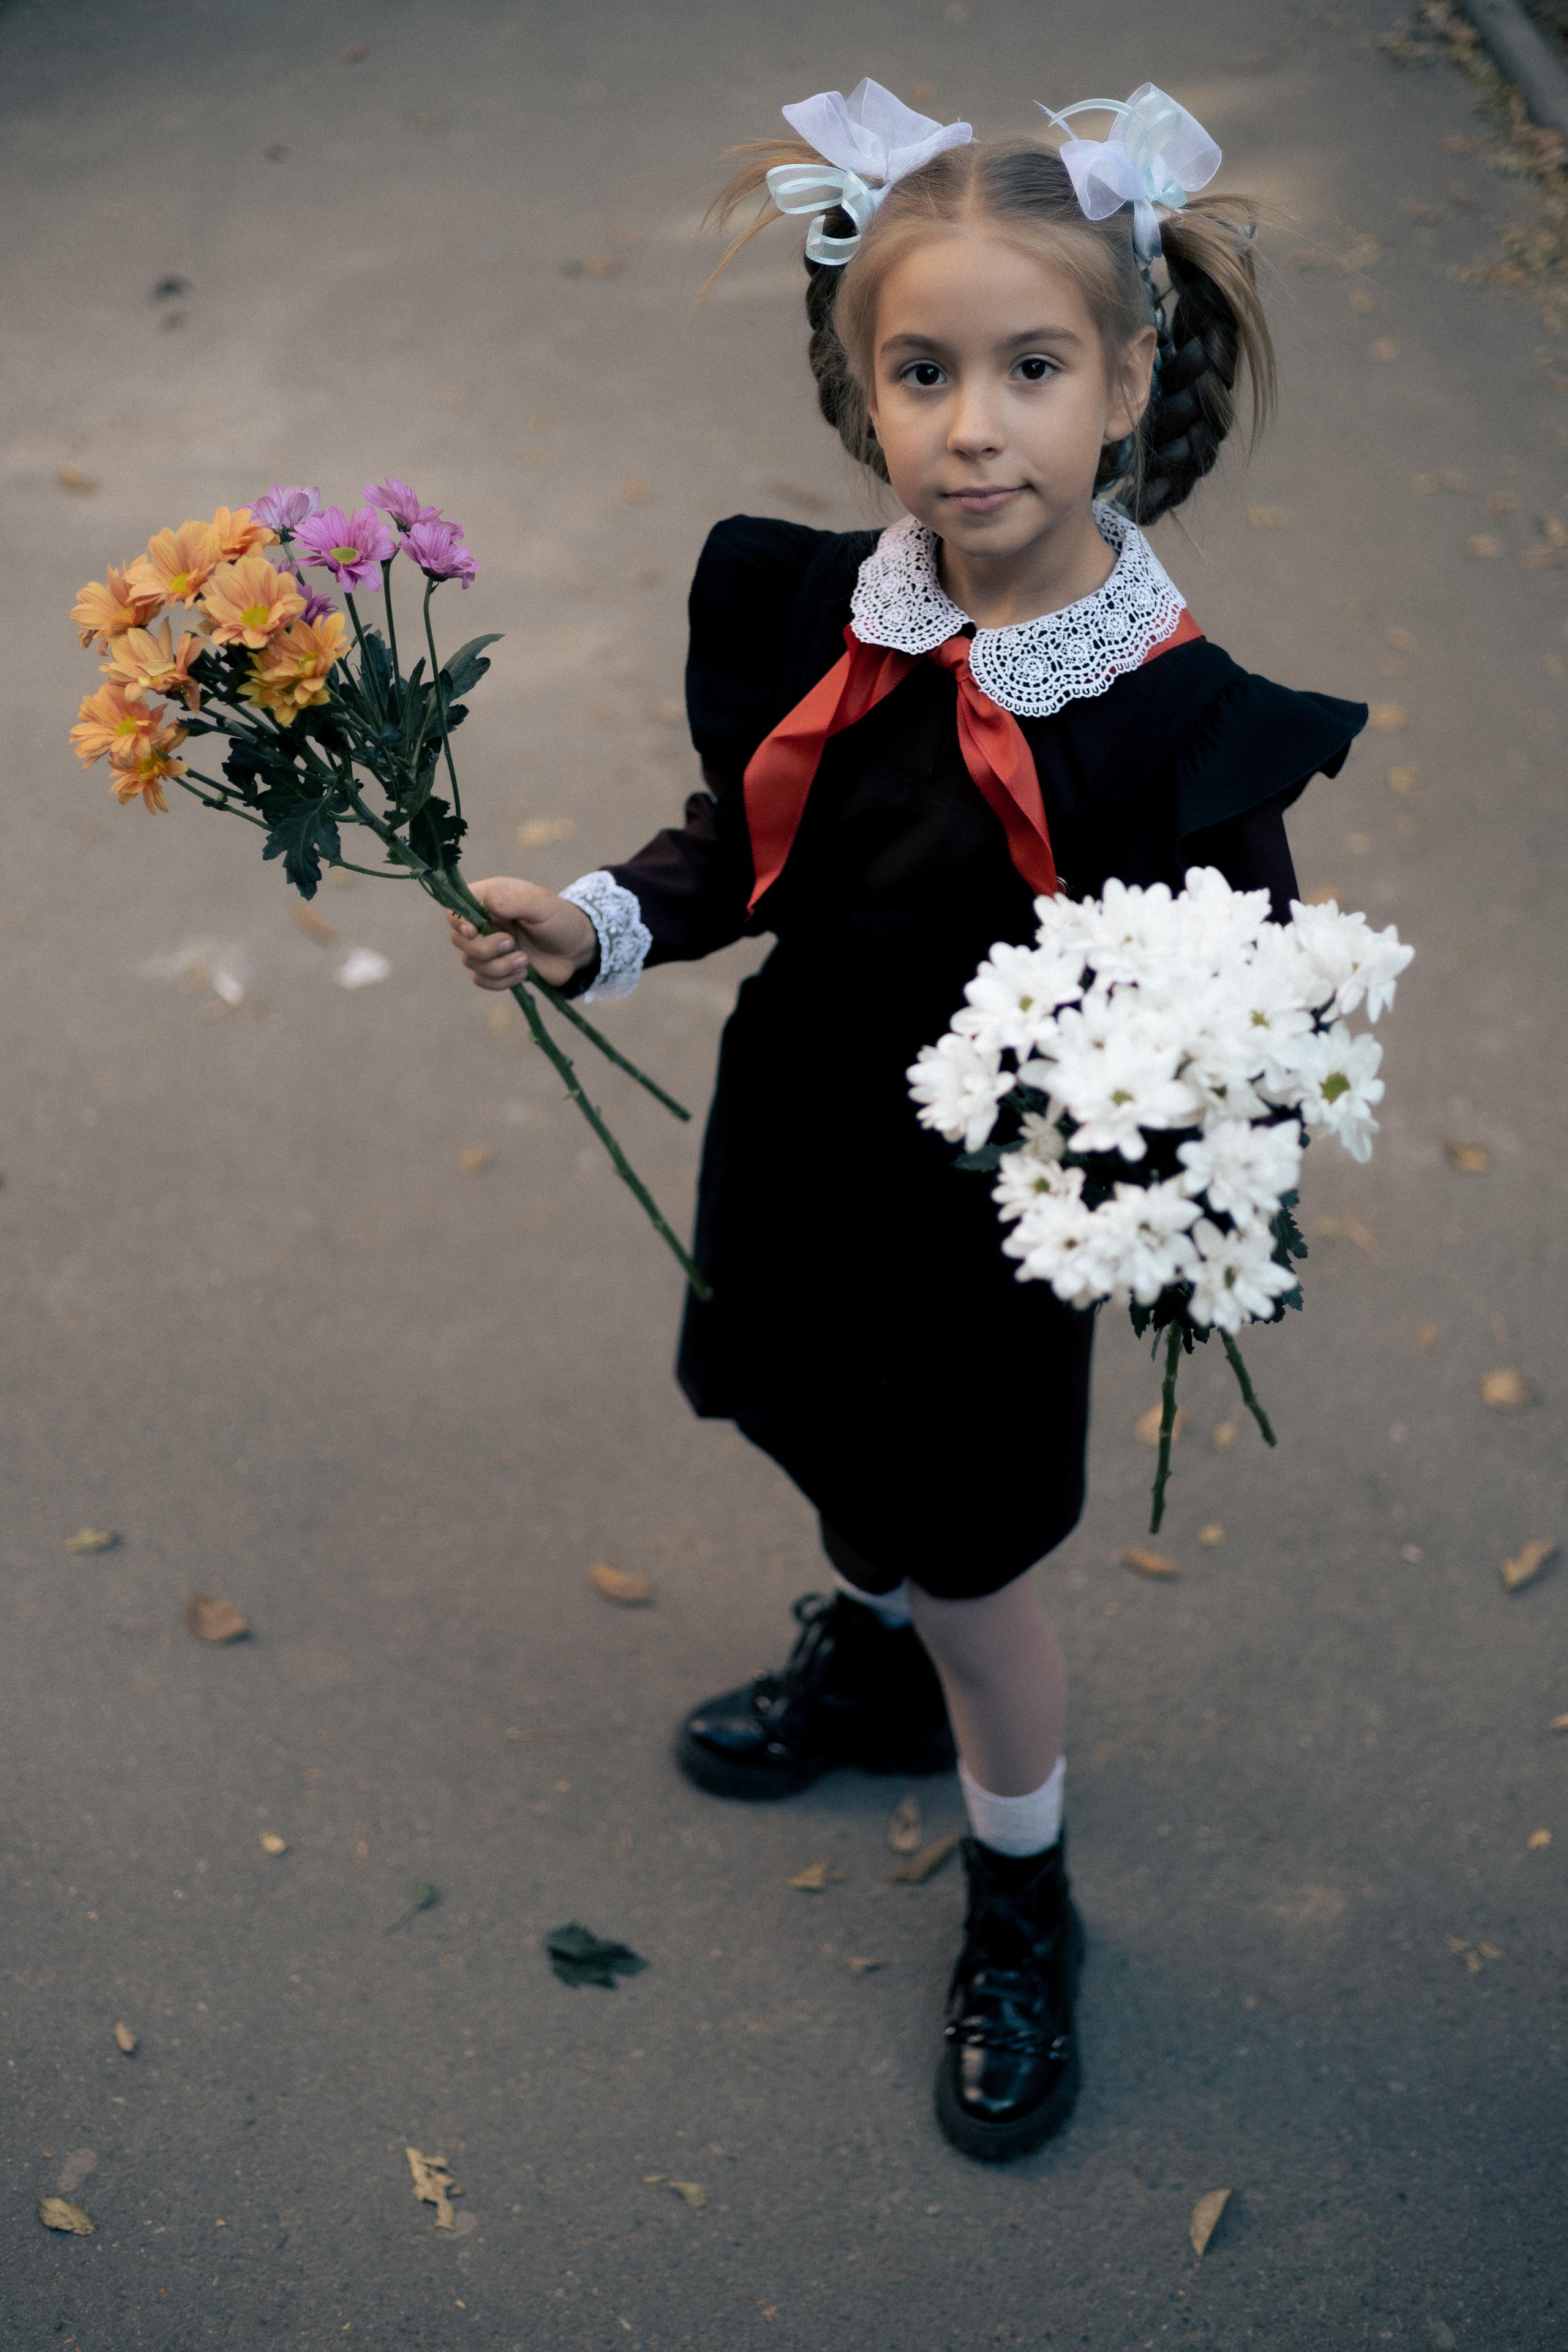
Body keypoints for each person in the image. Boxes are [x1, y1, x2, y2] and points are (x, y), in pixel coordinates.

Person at [448, 78, 1366, 2163]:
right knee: (821, 1431)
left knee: (971, 1564)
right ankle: (862, 1667)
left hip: (1000, 1207)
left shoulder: (1175, 718)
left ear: (1127, 379)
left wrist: (1193, 1199)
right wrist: (594, 925)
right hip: (809, 1128)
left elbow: (1249, 1008)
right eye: (922, 371)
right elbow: (741, 854)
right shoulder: (824, 616)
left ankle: (1023, 1888)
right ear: (860, 390)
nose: (975, 427)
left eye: (1031, 369)